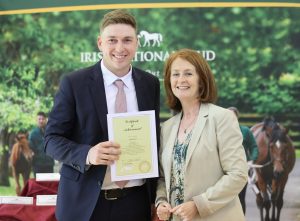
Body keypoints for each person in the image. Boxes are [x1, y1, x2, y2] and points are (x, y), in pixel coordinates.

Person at [44, 9, 160, 221]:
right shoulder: (74, 83)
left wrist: (156, 198)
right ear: (100, 43)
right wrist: (88, 154)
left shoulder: (150, 84)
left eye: (127, 40)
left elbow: (155, 140)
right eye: (112, 40)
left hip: (136, 202)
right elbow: (51, 140)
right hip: (85, 204)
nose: (119, 48)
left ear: (137, 43)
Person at [155, 49, 248, 221]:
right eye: (175, 74)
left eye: (188, 73)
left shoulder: (222, 118)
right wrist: (161, 201)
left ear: (201, 79)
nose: (181, 80)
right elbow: (162, 177)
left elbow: (238, 174)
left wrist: (199, 205)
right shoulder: (166, 128)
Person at [228, 106, 259, 214]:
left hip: (241, 169)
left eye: (233, 115)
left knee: (240, 198)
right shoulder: (219, 131)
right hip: (223, 170)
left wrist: (252, 160)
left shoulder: (245, 131)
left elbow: (254, 146)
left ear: (237, 117)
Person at [29, 112, 54, 177]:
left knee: (49, 184)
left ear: (46, 120)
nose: (41, 121)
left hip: (49, 163)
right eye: (39, 119)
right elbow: (30, 147)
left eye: (43, 119)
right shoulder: (33, 134)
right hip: (37, 164)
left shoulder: (51, 132)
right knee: (39, 185)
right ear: (36, 120)